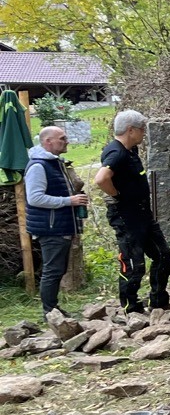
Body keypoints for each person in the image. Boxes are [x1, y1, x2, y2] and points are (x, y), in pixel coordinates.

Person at [93, 110, 170, 313]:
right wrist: (118, 195)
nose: (144, 133)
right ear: (130, 130)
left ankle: (157, 300)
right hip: (127, 218)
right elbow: (101, 179)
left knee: (163, 256)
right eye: (141, 129)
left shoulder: (130, 151)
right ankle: (131, 307)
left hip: (143, 216)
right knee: (134, 264)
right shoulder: (116, 152)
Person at [23, 125, 88, 318]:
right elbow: (34, 198)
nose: (66, 141)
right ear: (47, 141)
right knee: (53, 270)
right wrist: (69, 201)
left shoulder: (53, 163)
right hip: (50, 227)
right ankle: (49, 311)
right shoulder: (38, 166)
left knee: (57, 269)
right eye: (62, 138)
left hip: (57, 224)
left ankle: (52, 309)